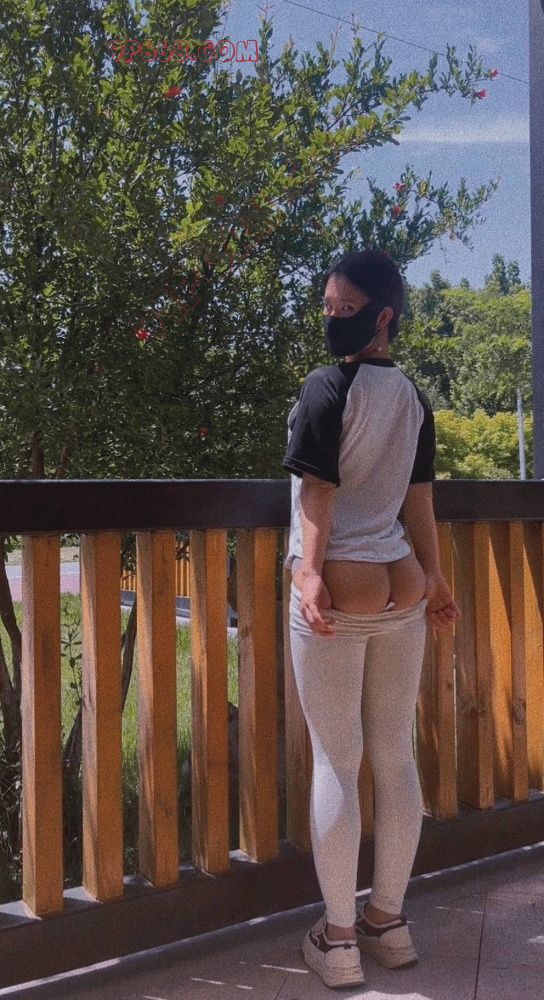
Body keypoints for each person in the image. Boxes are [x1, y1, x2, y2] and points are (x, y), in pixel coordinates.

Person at [282, 248, 461, 990]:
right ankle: (389, 921)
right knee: (394, 756)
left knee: (338, 761)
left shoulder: (326, 388)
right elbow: (419, 499)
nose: (332, 319)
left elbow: (317, 495)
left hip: (344, 584)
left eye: (345, 309)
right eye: (327, 308)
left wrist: (308, 572)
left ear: (383, 316)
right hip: (401, 580)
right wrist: (437, 578)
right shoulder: (412, 397)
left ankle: (339, 939)